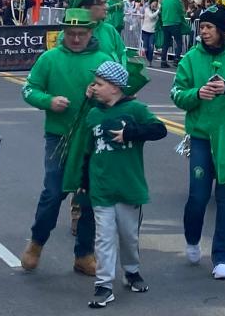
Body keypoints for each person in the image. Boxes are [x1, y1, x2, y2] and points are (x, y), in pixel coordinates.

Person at [21, 8, 111, 276]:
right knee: (53, 191)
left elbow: (119, 92)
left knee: (87, 196)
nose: (75, 39)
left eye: (80, 34)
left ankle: (84, 254)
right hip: (59, 136)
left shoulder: (103, 60)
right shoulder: (49, 58)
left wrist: (100, 97)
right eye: (70, 33)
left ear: (90, 33)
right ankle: (36, 243)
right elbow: (29, 89)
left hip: (92, 138)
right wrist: (48, 101)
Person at [171, 5, 225, 281]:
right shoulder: (191, 58)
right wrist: (197, 93)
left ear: (221, 30)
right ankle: (192, 238)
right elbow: (177, 93)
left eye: (209, 27)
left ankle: (222, 257)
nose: (204, 32)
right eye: (201, 27)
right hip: (200, 137)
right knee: (198, 197)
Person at [83, 62, 166, 308]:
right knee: (104, 238)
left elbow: (159, 129)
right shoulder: (93, 114)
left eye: (99, 84)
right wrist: (83, 181)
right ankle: (103, 284)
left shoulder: (135, 109)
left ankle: (131, 271)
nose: (94, 88)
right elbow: (87, 151)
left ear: (115, 87)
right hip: (102, 187)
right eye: (94, 83)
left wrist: (131, 133)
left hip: (129, 186)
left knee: (129, 236)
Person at [59, 0, 127, 66]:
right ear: (85, 8)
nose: (106, 7)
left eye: (105, 2)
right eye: (101, 3)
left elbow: (122, 59)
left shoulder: (110, 31)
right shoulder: (66, 36)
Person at [159, 0, 186, 68]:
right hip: (175, 23)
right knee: (179, 42)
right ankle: (176, 59)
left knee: (166, 43)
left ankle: (163, 61)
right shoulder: (177, 0)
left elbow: (161, 10)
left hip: (165, 23)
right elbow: (181, 12)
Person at [140, 0, 160, 65]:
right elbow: (151, 16)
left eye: (156, 3)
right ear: (151, 3)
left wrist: (158, 9)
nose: (155, 4)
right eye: (153, 3)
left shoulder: (157, 11)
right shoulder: (147, 9)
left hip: (153, 32)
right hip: (145, 31)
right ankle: (148, 58)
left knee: (151, 47)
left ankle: (150, 61)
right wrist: (158, 11)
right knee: (146, 48)